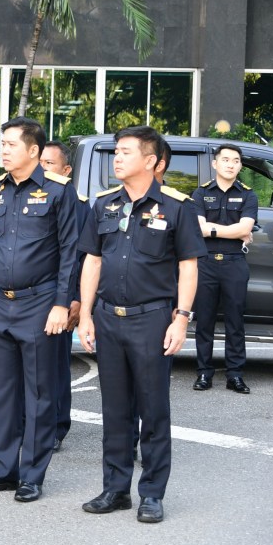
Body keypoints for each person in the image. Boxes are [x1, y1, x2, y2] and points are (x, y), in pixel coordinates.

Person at [78, 126, 204, 524]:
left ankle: (151, 493)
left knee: (153, 410)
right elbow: (93, 260)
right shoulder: (104, 204)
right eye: (116, 151)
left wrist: (181, 318)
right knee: (115, 411)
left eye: (126, 152)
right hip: (108, 318)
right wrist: (85, 314)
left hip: (152, 320)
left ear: (150, 161)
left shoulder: (177, 207)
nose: (117, 158)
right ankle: (115, 489)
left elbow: (188, 266)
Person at [0, 118, 78, 503]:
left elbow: (69, 253)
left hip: (40, 303)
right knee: (2, 393)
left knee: (39, 394)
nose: (4, 149)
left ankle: (31, 475)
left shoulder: (58, 191)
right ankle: (1, 470)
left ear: (33, 150)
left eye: (11, 144)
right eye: (3, 143)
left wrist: (62, 304)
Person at [191, 144, 257, 394]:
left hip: (234, 263)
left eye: (236, 160)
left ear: (240, 166)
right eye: (226, 159)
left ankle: (235, 375)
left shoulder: (248, 195)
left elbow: (245, 228)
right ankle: (204, 373)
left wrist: (214, 229)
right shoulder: (200, 193)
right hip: (205, 263)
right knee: (204, 321)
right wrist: (233, 231)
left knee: (235, 322)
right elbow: (198, 228)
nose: (231, 164)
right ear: (215, 163)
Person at [38, 141, 87, 452]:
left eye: (49, 164)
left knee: (55, 366)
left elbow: (83, 257)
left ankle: (56, 426)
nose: (43, 168)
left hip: (60, 296)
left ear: (66, 170)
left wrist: (77, 299)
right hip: (29, 296)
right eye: (40, 162)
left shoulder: (79, 205)